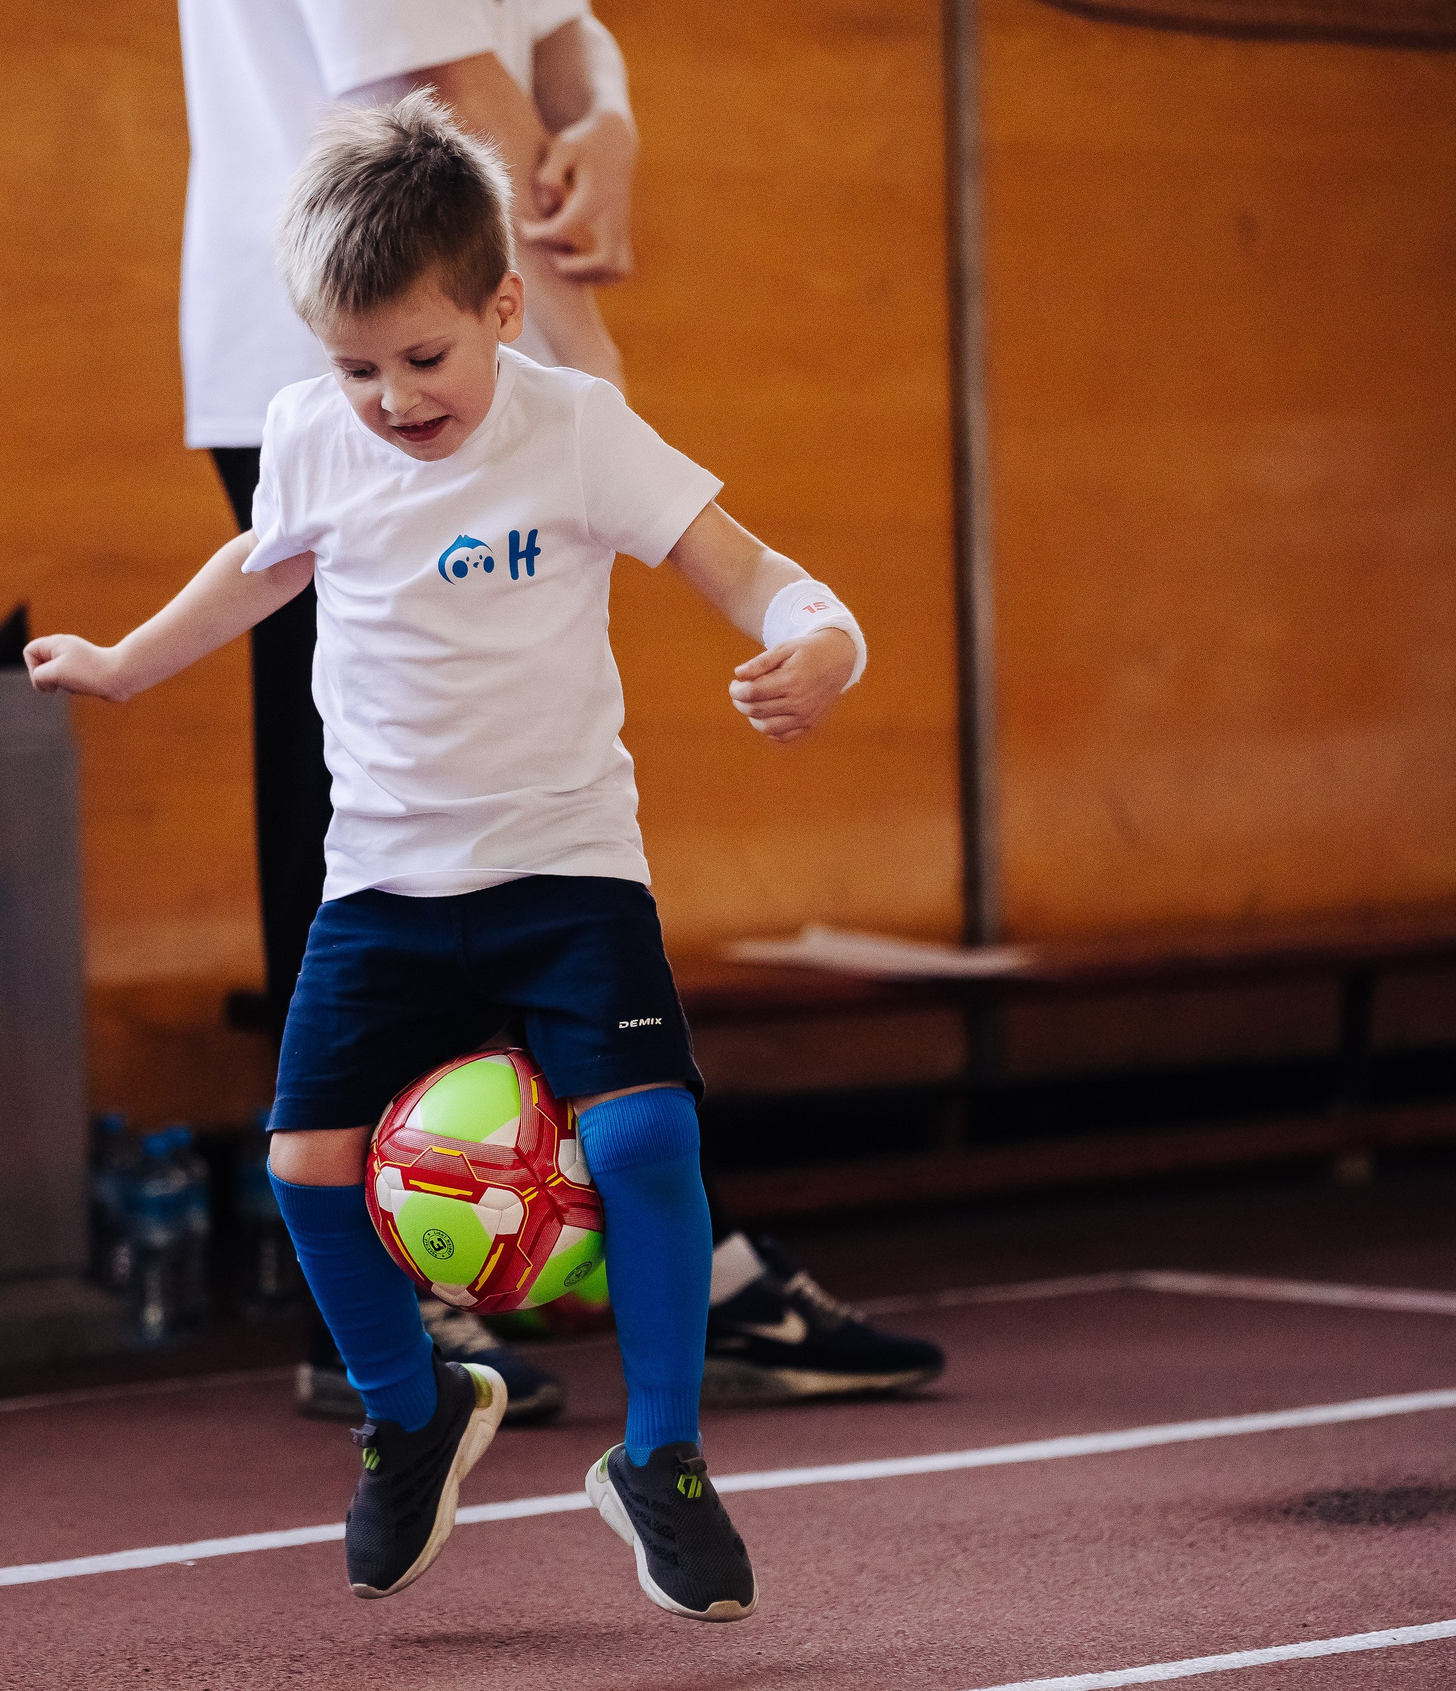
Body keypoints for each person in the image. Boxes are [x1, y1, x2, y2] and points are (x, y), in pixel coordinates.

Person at [31, 94, 880, 1619]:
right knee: (302, 1169)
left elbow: (745, 566)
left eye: (423, 359)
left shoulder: (574, 430)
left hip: (567, 873)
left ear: (501, 307)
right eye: (354, 366)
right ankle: (411, 1413)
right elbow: (260, 562)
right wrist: (126, 662)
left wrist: (825, 640)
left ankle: (664, 1457)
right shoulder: (312, 436)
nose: (392, 399)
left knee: (646, 1147)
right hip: (383, 890)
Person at [177, 0, 946, 1426]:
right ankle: (405, 1276)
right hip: (360, 333)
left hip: (454, 328)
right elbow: (437, 66)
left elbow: (556, 26)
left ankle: (640, 1251)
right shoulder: (398, 388)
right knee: (385, 813)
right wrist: (568, 351)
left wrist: (611, 123)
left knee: (516, 818)